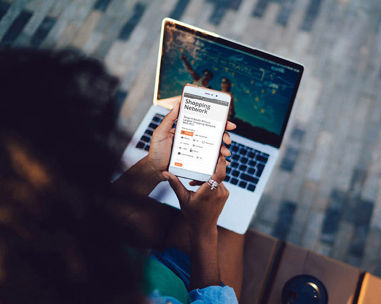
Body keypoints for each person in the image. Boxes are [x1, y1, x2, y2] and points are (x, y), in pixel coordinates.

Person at [0, 48, 243, 303]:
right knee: (232, 221)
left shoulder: (32, 244)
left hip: (146, 263)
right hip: (184, 283)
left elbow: (88, 215)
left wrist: (153, 166)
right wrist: (203, 232)